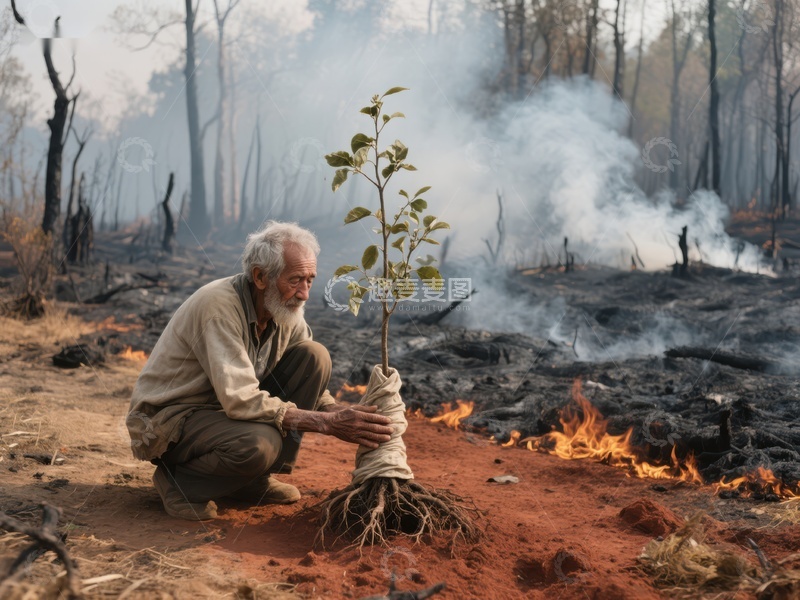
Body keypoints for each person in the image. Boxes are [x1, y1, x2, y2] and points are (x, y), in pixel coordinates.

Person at [126, 221, 393, 521]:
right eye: (295, 280)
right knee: (260, 444)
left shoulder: (283, 308)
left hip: (219, 413)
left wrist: (342, 413)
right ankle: (179, 483)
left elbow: (311, 381)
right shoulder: (219, 307)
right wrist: (328, 423)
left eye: (310, 280)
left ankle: (250, 480)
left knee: (315, 356)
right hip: (169, 420)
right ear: (260, 276)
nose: (304, 293)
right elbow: (240, 399)